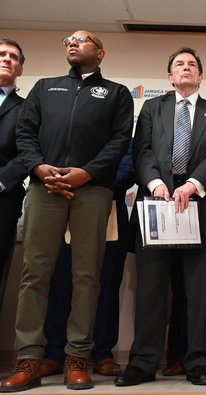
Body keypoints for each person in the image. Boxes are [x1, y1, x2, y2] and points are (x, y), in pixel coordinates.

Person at [0, 31, 133, 393]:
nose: (72, 43)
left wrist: (86, 173)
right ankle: (28, 359)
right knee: (35, 274)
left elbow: (120, 140)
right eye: (68, 40)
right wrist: (40, 169)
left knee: (87, 275)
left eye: (82, 39)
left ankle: (77, 358)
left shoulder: (118, 94)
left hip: (92, 191)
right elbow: (25, 134)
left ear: (100, 53)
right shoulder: (45, 87)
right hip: (44, 188)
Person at [114, 47, 206, 387]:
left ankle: (198, 362)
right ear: (169, 77)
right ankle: (142, 363)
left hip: (201, 206)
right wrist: (154, 184)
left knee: (198, 291)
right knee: (150, 289)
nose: (186, 68)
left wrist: (194, 184)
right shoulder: (153, 107)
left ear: (200, 77)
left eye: (192, 65)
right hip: (157, 205)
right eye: (179, 64)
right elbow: (143, 150)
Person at [38, 142, 134, 378]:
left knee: (106, 283)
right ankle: (55, 352)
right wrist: (67, 182)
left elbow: (128, 168)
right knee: (60, 282)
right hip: (63, 206)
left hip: (107, 210)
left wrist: (88, 182)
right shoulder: (67, 131)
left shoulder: (120, 136)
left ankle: (102, 353)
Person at [0, 37, 27, 321]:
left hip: (3, 201)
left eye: (13, 57)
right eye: (2, 54)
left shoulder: (27, 108)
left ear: (20, 69)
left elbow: (28, 152)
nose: (7, 59)